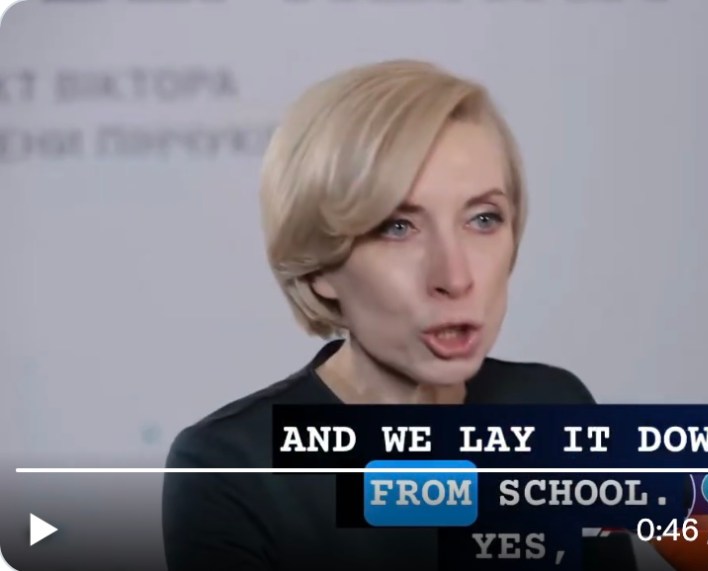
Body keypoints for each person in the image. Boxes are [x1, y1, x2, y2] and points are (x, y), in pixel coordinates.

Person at [161, 59, 633, 571]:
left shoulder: (554, 408)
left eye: (482, 219)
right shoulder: (231, 469)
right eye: (397, 228)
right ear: (320, 267)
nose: (455, 277)